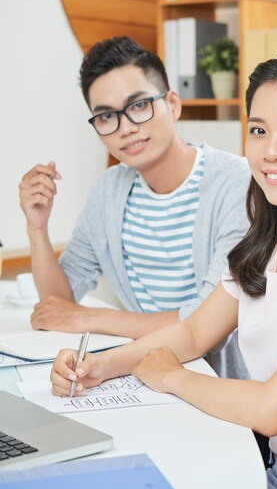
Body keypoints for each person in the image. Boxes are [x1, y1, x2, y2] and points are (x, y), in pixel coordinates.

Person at [51, 52, 277, 489]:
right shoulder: (267, 239)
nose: (272, 151)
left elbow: (274, 409)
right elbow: (192, 334)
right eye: (258, 130)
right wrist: (99, 366)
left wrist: (171, 376)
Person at [19, 36, 251, 379]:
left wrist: (91, 317)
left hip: (225, 383)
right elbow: (58, 305)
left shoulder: (237, 183)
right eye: (107, 116)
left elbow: (208, 323)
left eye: (139, 105)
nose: (125, 128)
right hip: (144, 374)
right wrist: (37, 228)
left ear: (172, 103)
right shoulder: (109, 191)